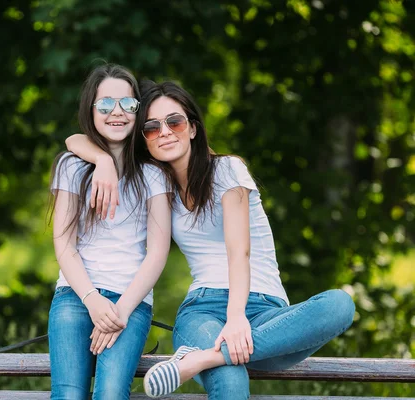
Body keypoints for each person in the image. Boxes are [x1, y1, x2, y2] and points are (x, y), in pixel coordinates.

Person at [65, 80, 355, 399]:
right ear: (143, 139)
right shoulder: (159, 185)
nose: (165, 131)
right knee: (229, 379)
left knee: (340, 304)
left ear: (192, 128)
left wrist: (236, 318)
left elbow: (239, 252)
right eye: (151, 127)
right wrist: (105, 161)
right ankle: (216, 357)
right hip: (202, 311)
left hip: (266, 315)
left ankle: (200, 359)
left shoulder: (227, 170)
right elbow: (74, 138)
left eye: (174, 121)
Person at [48, 65, 171, 400]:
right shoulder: (71, 167)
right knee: (68, 396)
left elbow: (158, 252)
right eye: (105, 105)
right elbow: (64, 244)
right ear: (91, 109)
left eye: (128, 104)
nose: (116, 113)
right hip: (76, 296)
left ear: (138, 110)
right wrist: (92, 301)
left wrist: (118, 312)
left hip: (130, 302)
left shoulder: (153, 174)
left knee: (111, 395)